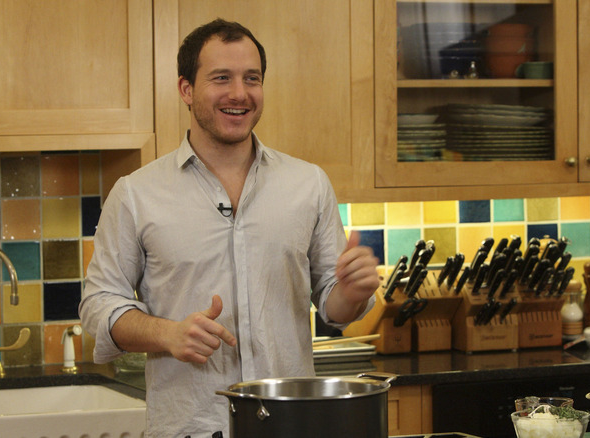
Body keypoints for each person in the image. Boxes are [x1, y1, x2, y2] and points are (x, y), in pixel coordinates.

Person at [79, 18, 380, 438]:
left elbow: (334, 306)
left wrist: (351, 292)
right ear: (186, 89)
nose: (239, 93)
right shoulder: (135, 194)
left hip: (294, 426)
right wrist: (168, 334)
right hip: (191, 428)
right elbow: (98, 309)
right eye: (222, 78)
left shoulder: (308, 184)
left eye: (251, 79)